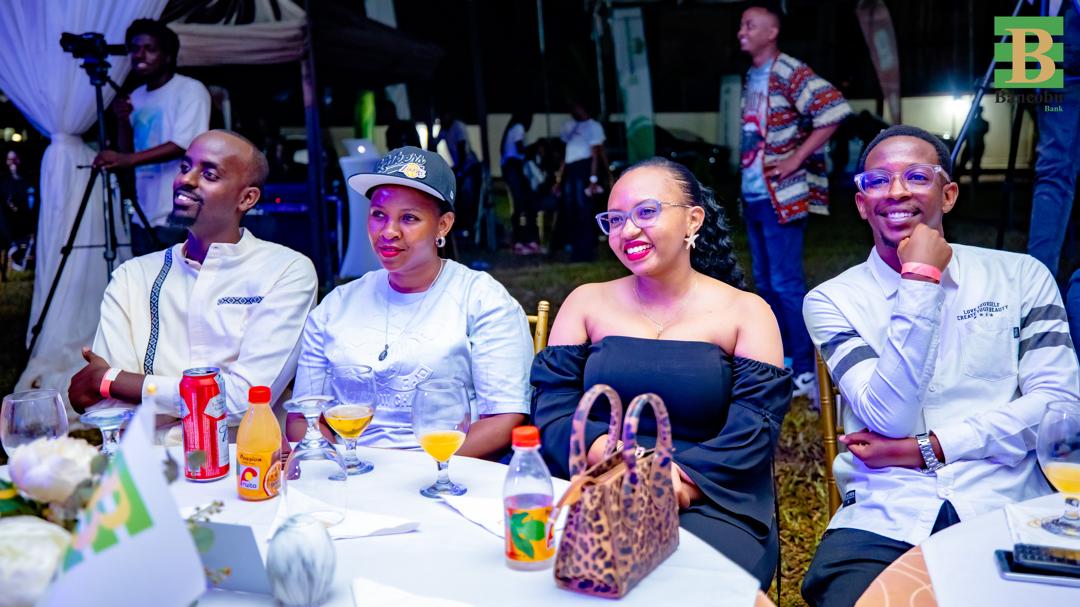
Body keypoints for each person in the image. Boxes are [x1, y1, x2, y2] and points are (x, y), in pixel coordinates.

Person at [801, 125, 1080, 606]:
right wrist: (921, 278)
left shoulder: (1019, 276)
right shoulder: (833, 300)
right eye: (878, 181)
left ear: (948, 195)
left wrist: (928, 448)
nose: (896, 191)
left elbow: (1060, 407)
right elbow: (890, 417)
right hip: (887, 513)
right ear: (862, 204)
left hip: (1010, 503)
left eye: (916, 176)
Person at [531, 157, 792, 589]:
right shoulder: (585, 302)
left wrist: (679, 483)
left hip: (712, 495)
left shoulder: (746, 312)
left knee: (683, 589)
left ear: (693, 219)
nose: (627, 231)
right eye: (615, 219)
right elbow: (552, 406)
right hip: (595, 482)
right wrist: (617, 461)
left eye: (646, 212)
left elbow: (755, 427)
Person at [69, 130, 318, 438]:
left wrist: (112, 380)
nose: (185, 180)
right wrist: (117, 386)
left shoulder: (284, 271)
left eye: (209, 174)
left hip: (245, 457)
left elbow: (244, 401)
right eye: (185, 167)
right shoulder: (132, 276)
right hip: (150, 456)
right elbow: (109, 409)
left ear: (246, 198)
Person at [293, 146, 532, 460]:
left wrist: (414, 470)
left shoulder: (481, 299)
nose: (389, 232)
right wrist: (343, 463)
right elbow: (303, 417)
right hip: (349, 470)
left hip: (448, 469)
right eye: (379, 215)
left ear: (443, 225)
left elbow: (504, 419)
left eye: (409, 218)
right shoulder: (337, 305)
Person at [737, 2, 852, 401]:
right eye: (741, 25)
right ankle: (783, 358)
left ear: (772, 32)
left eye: (749, 25)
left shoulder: (787, 70)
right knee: (766, 282)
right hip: (755, 193)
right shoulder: (753, 76)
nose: (741, 32)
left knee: (785, 283)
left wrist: (795, 159)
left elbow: (834, 108)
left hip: (781, 196)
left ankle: (805, 368)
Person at [93, 18, 211, 257]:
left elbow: (184, 145)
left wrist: (126, 160)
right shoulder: (136, 96)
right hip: (143, 210)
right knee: (146, 277)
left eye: (149, 49)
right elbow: (128, 150)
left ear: (167, 56)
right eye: (135, 49)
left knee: (178, 276)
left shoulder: (189, 89)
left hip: (179, 209)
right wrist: (123, 121)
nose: (139, 55)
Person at [1027, 0, 1079, 282]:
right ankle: (1039, 283)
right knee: (1053, 174)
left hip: (1045, 45)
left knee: (1052, 174)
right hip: (1050, 44)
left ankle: (1038, 284)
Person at [553, 100, 608, 262]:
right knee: (571, 209)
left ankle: (586, 250)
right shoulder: (570, 125)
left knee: (584, 209)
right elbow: (566, 153)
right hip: (571, 169)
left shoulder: (594, 126)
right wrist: (559, 178)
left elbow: (595, 154)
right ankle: (574, 248)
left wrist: (593, 178)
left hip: (583, 168)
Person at [431, 111, 482, 241]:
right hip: (459, 168)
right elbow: (433, 145)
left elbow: (462, 147)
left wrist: (460, 171)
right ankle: (462, 227)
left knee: (468, 197)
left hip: (469, 166)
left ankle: (470, 229)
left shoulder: (458, 127)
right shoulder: (444, 128)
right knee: (458, 197)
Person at [501, 112, 540, 255]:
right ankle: (519, 240)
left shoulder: (512, 129)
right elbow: (519, 149)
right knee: (520, 205)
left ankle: (519, 239)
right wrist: (532, 149)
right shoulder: (519, 128)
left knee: (519, 205)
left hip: (510, 167)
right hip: (514, 167)